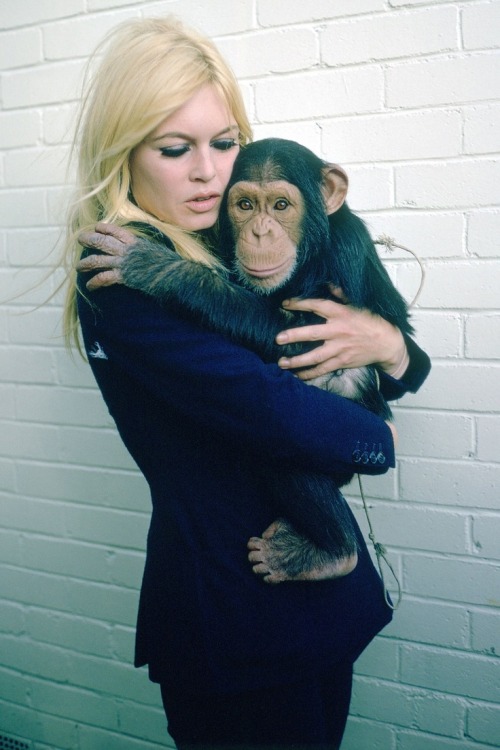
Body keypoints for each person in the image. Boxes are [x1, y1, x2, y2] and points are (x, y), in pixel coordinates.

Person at [62, 16, 431, 750]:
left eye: (224, 144)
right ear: (123, 153)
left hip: (326, 599)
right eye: (175, 149)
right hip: (237, 613)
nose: (209, 172)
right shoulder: (127, 272)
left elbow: (400, 363)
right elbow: (272, 410)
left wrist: (388, 343)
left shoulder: (237, 234)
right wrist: (379, 441)